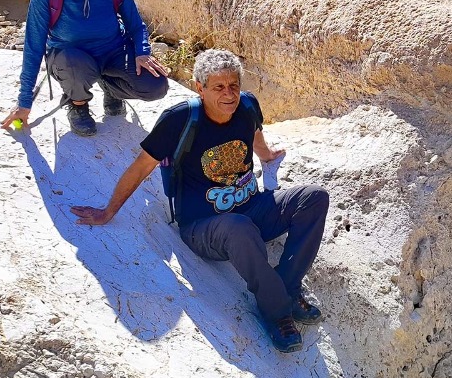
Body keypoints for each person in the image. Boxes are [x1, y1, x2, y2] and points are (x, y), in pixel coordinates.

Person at [70, 49, 330, 353]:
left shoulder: (247, 106)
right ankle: (277, 311)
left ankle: (287, 287)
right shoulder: (180, 119)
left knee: (314, 197)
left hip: (252, 208)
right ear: (200, 87)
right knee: (238, 226)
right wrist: (108, 210)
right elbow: (141, 166)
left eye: (233, 85)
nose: (229, 94)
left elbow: (254, 133)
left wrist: (267, 156)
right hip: (204, 228)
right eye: (218, 87)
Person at [0, 0, 169, 137]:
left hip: (113, 52)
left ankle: (111, 89)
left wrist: (142, 53)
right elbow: (34, 45)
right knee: (73, 64)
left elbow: (136, 25)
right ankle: (78, 105)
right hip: (71, 58)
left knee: (156, 85)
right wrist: (24, 102)